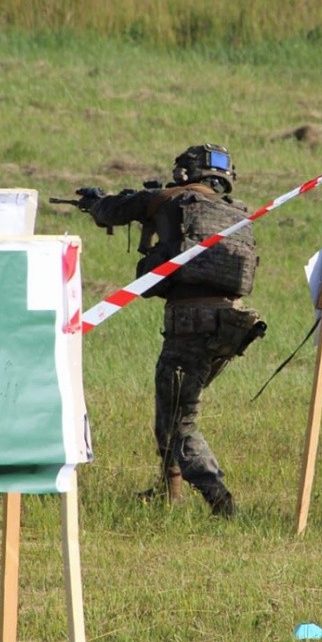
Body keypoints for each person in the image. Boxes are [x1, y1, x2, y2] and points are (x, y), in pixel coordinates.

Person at [82, 143, 265, 517]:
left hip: (190, 325)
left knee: (177, 425)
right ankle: (170, 494)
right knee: (175, 413)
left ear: (186, 173)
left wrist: (95, 202)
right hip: (231, 326)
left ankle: (220, 501)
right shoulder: (236, 213)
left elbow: (112, 211)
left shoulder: (169, 198)